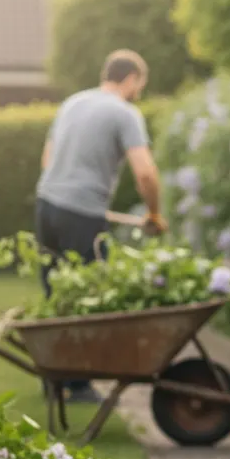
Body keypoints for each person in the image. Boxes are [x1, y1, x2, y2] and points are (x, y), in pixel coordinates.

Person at [36, 49, 168, 403]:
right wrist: (155, 214)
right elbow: (145, 172)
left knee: (55, 293)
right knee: (89, 297)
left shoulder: (72, 103)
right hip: (81, 212)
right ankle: (79, 384)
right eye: (140, 85)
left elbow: (48, 158)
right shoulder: (125, 113)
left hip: (46, 204)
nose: (139, 92)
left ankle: (53, 378)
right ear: (131, 79)